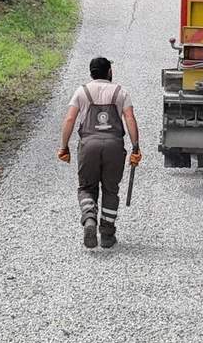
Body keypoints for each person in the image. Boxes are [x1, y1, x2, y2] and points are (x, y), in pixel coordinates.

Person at [58, 57, 141, 249]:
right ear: (109, 72)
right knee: (110, 189)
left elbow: (70, 119)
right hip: (114, 146)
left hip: (89, 146)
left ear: (91, 73)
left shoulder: (82, 91)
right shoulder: (121, 92)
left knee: (87, 187)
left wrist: (64, 146)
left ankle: (89, 220)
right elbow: (129, 118)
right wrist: (136, 146)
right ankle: (106, 234)